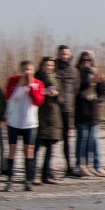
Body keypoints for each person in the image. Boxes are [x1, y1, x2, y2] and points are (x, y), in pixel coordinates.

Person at [4, 60, 45, 192]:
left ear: (33, 71)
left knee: (28, 150)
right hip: (14, 122)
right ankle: (9, 180)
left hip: (30, 123)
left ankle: (28, 180)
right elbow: (8, 97)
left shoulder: (38, 83)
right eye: (24, 70)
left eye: (29, 69)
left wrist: (30, 87)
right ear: (21, 71)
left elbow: (39, 101)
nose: (27, 72)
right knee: (12, 150)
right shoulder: (13, 80)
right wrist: (19, 85)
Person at [74, 50, 105, 176]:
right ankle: (81, 165)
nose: (86, 62)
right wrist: (90, 82)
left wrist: (98, 99)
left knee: (94, 140)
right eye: (84, 59)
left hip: (94, 112)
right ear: (80, 61)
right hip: (81, 111)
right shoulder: (77, 74)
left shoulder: (96, 72)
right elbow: (76, 90)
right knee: (82, 139)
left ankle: (96, 165)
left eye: (89, 60)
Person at [34, 56, 63, 184]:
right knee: (36, 148)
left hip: (54, 116)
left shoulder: (56, 78)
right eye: (46, 65)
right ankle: (32, 175)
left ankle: (46, 175)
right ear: (41, 66)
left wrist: (57, 95)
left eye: (51, 65)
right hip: (40, 115)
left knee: (50, 148)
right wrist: (42, 92)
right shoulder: (36, 78)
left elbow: (62, 98)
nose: (49, 67)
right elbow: (31, 94)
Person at [54, 45, 79, 177]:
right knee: (50, 138)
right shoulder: (53, 69)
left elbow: (76, 90)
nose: (64, 55)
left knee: (66, 138)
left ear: (69, 55)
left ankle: (69, 167)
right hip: (54, 109)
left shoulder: (74, 71)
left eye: (66, 53)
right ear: (58, 55)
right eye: (62, 53)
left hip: (67, 110)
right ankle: (46, 168)